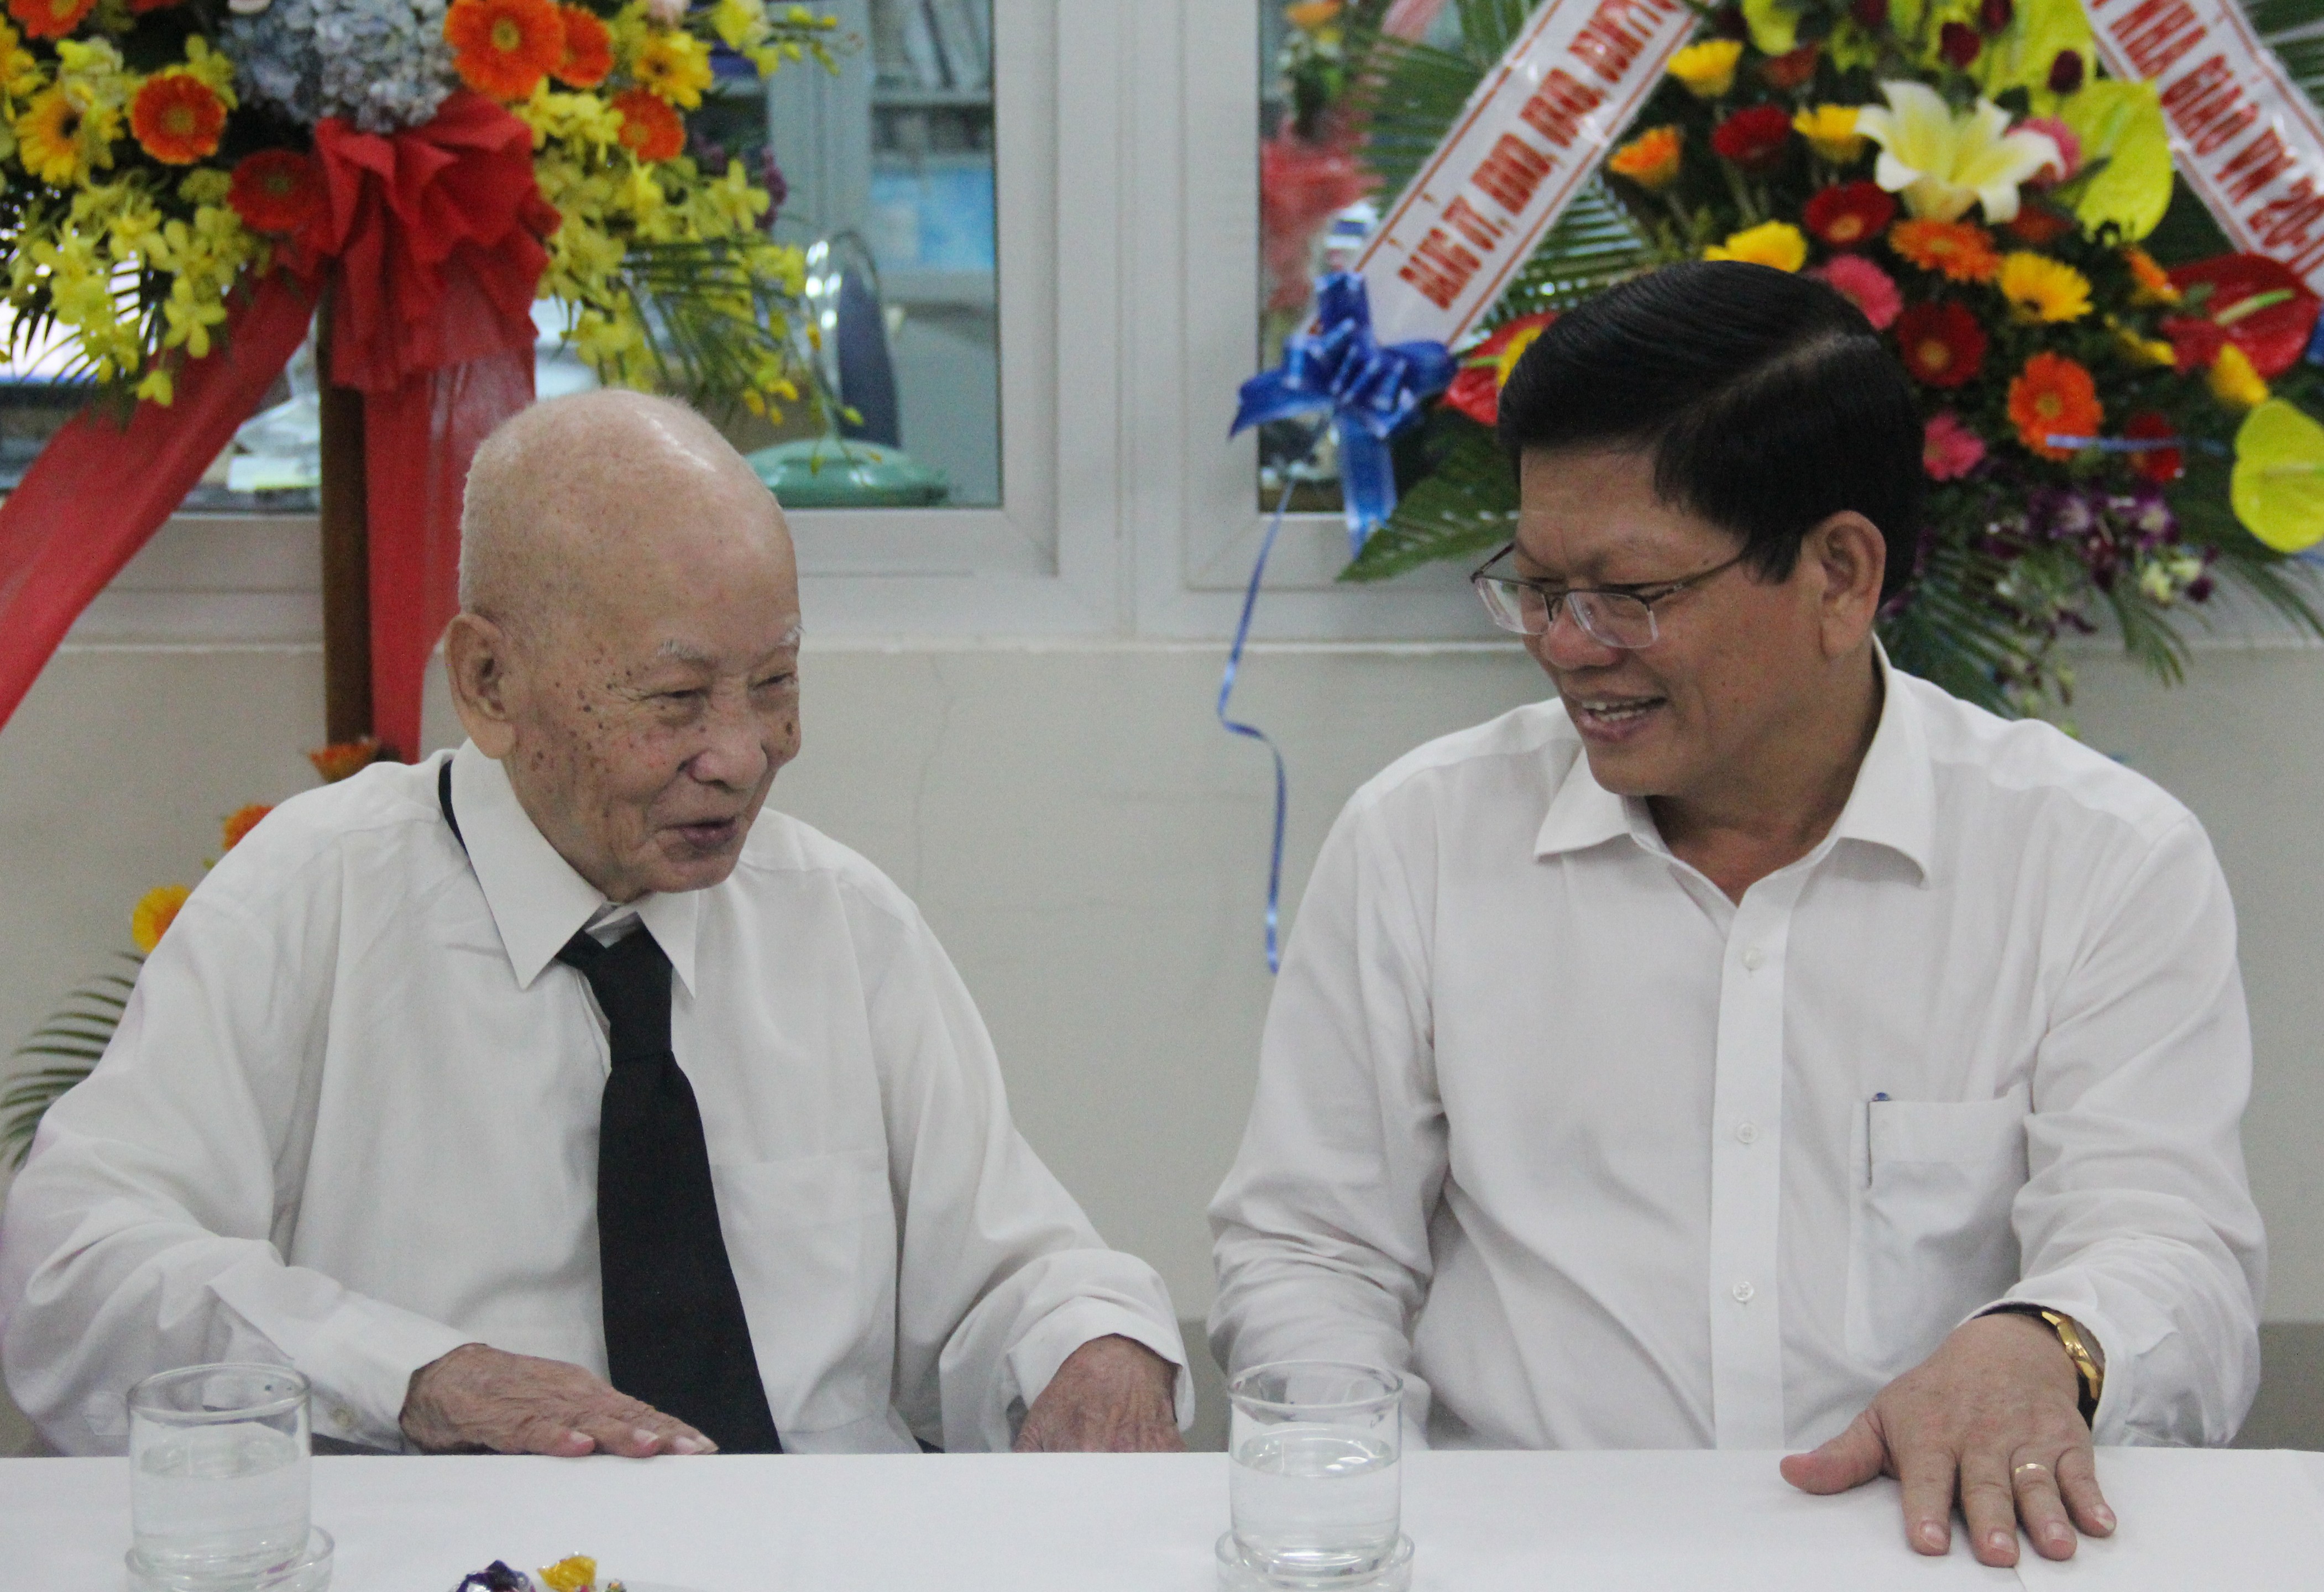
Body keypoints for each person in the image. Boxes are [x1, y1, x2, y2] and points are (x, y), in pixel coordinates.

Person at [1207, 261, 2264, 1567]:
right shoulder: (1419, 841)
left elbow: (2168, 1245)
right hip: (1522, 1554)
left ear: (1836, 573)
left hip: (1929, 1551)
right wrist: (1375, 1515)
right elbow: (1313, 1251)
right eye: (1536, 588)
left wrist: (2039, 1342)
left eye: (1630, 595)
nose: (1566, 644)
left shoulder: (2096, 861)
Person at [1, 390, 1187, 1459]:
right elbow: (72, 1268)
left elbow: (1006, 1274)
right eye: (674, 700)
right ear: (489, 684)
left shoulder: (837, 921)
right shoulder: (315, 897)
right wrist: (412, 1379)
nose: (743, 755)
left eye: (774, 684)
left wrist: (1095, 1345)